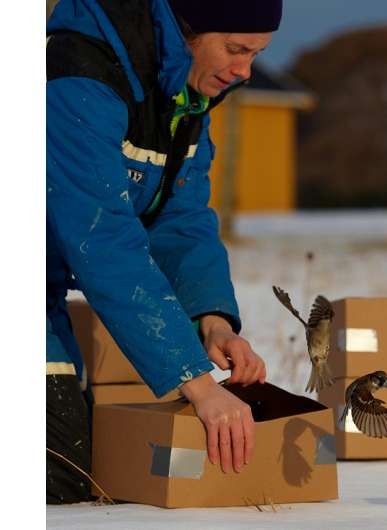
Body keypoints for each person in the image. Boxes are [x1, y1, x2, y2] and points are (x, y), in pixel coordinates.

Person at [46, 0, 282, 504]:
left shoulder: (184, 98)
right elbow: (102, 238)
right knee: (53, 477)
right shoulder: (81, 74)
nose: (245, 71)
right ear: (188, 30)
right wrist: (196, 381)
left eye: (256, 54)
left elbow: (181, 219)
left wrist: (212, 321)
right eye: (235, 49)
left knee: (73, 469)